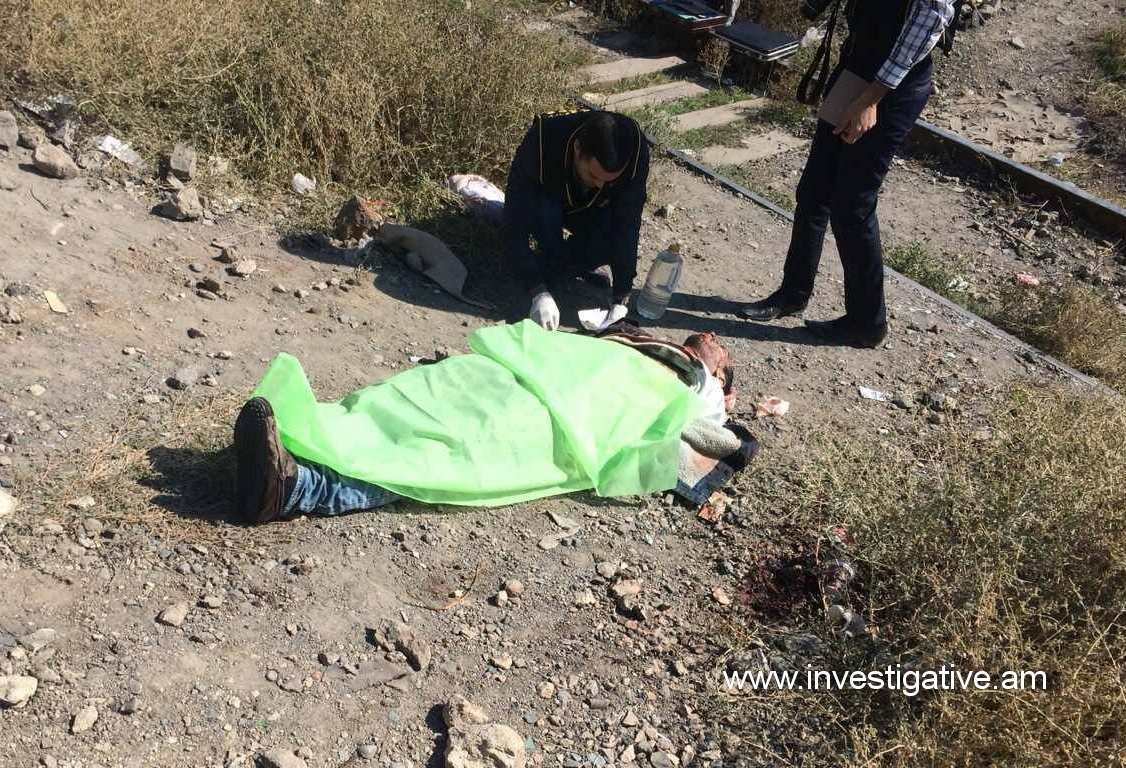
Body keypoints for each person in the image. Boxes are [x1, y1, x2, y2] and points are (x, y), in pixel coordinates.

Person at [231, 327, 745, 525]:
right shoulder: (635, 335)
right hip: (522, 371)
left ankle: (297, 487)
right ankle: (309, 429)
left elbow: (704, 441)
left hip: (573, 415)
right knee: (432, 391)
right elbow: (568, 344)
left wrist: (713, 417)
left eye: (722, 352)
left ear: (722, 382)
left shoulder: (700, 395)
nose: (714, 337)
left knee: (456, 446)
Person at [736, 0, 956, 348]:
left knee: (853, 206)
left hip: (892, 88)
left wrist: (871, 100)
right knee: (814, 192)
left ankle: (867, 322)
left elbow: (931, 18)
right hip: (857, 66)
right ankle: (792, 293)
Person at [503, 109, 650, 331]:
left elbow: (627, 224)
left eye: (609, 181)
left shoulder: (635, 150)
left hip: (593, 210)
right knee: (544, 222)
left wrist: (621, 297)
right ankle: (548, 265)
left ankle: (566, 264)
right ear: (578, 148)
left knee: (607, 242)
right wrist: (537, 289)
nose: (600, 185)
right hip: (549, 202)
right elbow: (515, 222)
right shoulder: (542, 140)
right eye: (594, 175)